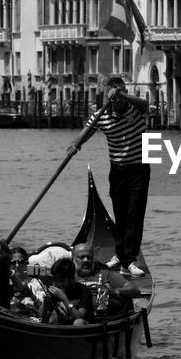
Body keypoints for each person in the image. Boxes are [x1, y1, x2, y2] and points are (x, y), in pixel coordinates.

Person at [69, 77, 150, 278]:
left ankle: (129, 261)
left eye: (121, 91)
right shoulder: (102, 115)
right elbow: (86, 132)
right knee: (120, 215)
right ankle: (120, 254)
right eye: (114, 92)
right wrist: (75, 145)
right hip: (117, 171)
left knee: (134, 216)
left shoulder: (135, 109)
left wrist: (122, 94)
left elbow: (145, 104)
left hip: (139, 170)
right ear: (107, 94)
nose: (118, 96)